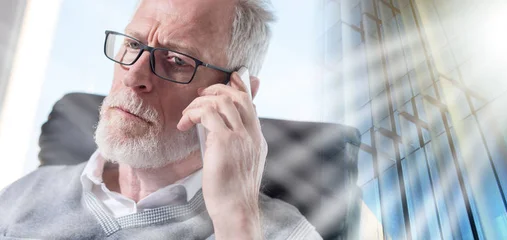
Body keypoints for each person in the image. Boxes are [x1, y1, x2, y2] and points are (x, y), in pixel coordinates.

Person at [0, 0, 321, 239]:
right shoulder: (27, 192)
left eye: (177, 60)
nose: (134, 77)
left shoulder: (282, 232)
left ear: (239, 94)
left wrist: (236, 220)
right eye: (133, 45)